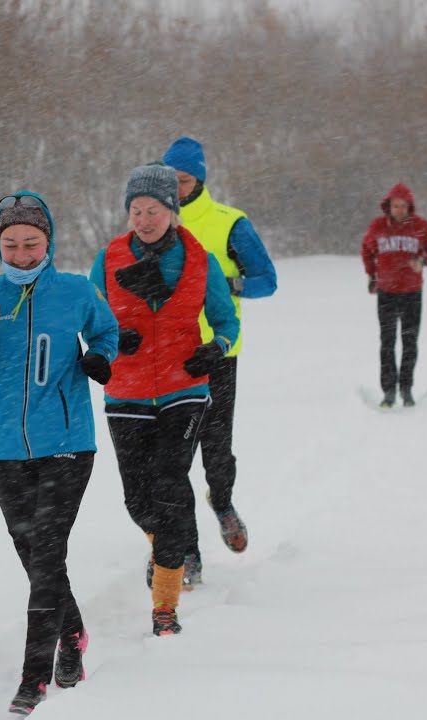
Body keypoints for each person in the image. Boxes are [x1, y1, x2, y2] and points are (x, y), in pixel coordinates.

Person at [0, 190, 119, 715]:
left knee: (46, 554)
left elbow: (106, 332)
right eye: (11, 243)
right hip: (3, 450)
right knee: (34, 557)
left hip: (67, 444)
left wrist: (100, 359)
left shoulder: (74, 291)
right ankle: (72, 633)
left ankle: (34, 679)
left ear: (49, 242)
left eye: (32, 243)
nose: (21, 253)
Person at [89, 163, 240, 636]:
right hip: (126, 392)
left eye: (152, 210)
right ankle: (172, 545)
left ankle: (166, 605)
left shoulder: (199, 262)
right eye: (135, 210)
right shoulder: (108, 259)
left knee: (171, 483)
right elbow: (90, 319)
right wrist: (112, 341)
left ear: (172, 213)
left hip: (184, 388)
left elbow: (226, 322)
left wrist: (214, 351)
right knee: (138, 498)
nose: (143, 219)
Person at [160, 137, 277, 589]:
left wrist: (226, 284)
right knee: (174, 459)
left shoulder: (230, 223)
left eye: (183, 180)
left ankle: (223, 502)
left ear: (200, 180)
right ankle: (187, 552)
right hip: (169, 357)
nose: (175, 188)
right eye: (169, 180)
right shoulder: (153, 220)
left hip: (218, 353)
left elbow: (266, 280)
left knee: (215, 446)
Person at [360, 182, 427, 408]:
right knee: (387, 343)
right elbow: (366, 250)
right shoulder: (378, 227)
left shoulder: (421, 227)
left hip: (411, 293)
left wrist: (424, 261)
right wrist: (372, 275)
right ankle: (389, 390)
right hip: (386, 293)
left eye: (403, 206)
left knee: (409, 342)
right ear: (388, 206)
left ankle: (406, 389)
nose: (399, 210)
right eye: (395, 206)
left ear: (410, 207)